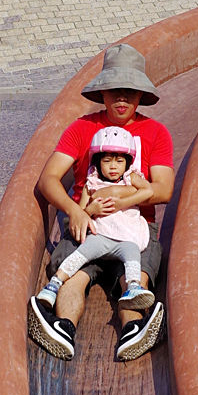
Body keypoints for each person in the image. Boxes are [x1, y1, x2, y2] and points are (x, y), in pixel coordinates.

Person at [30, 44, 174, 363]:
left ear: (140, 96)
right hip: (90, 223)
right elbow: (49, 179)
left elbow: (163, 190)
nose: (121, 99)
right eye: (115, 92)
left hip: (134, 225)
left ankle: (133, 330)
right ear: (103, 94)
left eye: (129, 92)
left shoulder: (155, 132)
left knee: (135, 273)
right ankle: (63, 326)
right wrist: (75, 211)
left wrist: (126, 197)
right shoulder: (83, 128)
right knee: (75, 270)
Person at [34, 126, 156, 315]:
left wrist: (122, 202)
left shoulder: (131, 178)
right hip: (101, 236)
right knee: (80, 254)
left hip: (126, 238)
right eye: (107, 161)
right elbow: (81, 212)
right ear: (98, 162)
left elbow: (148, 190)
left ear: (128, 162)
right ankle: (54, 284)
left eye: (119, 161)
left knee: (133, 256)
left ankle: (133, 287)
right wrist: (92, 209)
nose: (113, 166)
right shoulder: (91, 183)